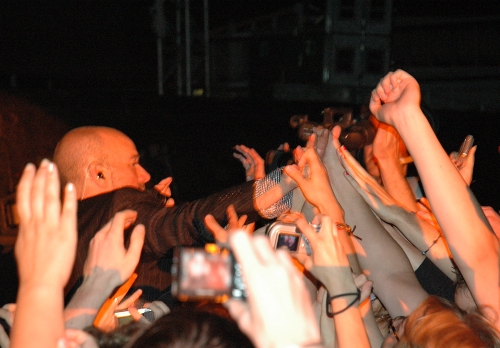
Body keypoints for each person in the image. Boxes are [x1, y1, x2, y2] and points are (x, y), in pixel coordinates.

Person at [52, 126, 296, 302]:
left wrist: (246, 213)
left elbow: (219, 282)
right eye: (133, 163)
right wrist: (281, 184)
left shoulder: (61, 239)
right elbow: (185, 220)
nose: (145, 176)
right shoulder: (114, 206)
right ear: (99, 175)